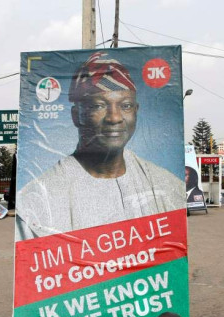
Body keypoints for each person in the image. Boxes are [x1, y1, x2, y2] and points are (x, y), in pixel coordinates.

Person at [16, 52, 183, 239]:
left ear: (136, 111)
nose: (115, 118)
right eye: (98, 106)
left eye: (126, 106)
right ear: (76, 115)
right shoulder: (38, 200)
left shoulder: (165, 185)